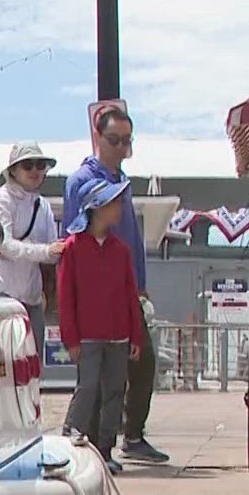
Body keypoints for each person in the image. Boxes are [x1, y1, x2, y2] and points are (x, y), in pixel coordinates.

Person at [64, 107, 169, 464]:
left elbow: (130, 240)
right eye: (115, 140)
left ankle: (128, 435)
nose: (123, 148)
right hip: (96, 298)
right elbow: (73, 237)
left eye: (127, 141)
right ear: (98, 138)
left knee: (138, 364)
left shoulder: (120, 181)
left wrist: (139, 284)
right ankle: (88, 440)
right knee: (93, 377)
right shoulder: (82, 181)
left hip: (125, 290)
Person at [57, 177, 144, 475]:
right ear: (97, 208)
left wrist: (135, 334)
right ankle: (71, 439)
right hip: (89, 336)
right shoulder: (73, 248)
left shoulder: (121, 250)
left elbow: (130, 294)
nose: (119, 208)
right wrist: (71, 338)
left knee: (114, 393)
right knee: (88, 387)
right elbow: (65, 296)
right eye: (113, 202)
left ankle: (105, 449)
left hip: (118, 335)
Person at [0, 142, 66, 344]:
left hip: (32, 298)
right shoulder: (1, 199)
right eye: (27, 165)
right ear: (13, 170)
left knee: (34, 366)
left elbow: (53, 252)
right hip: (3, 294)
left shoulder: (43, 206)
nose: (35, 170)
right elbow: (3, 245)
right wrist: (46, 251)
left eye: (40, 165)